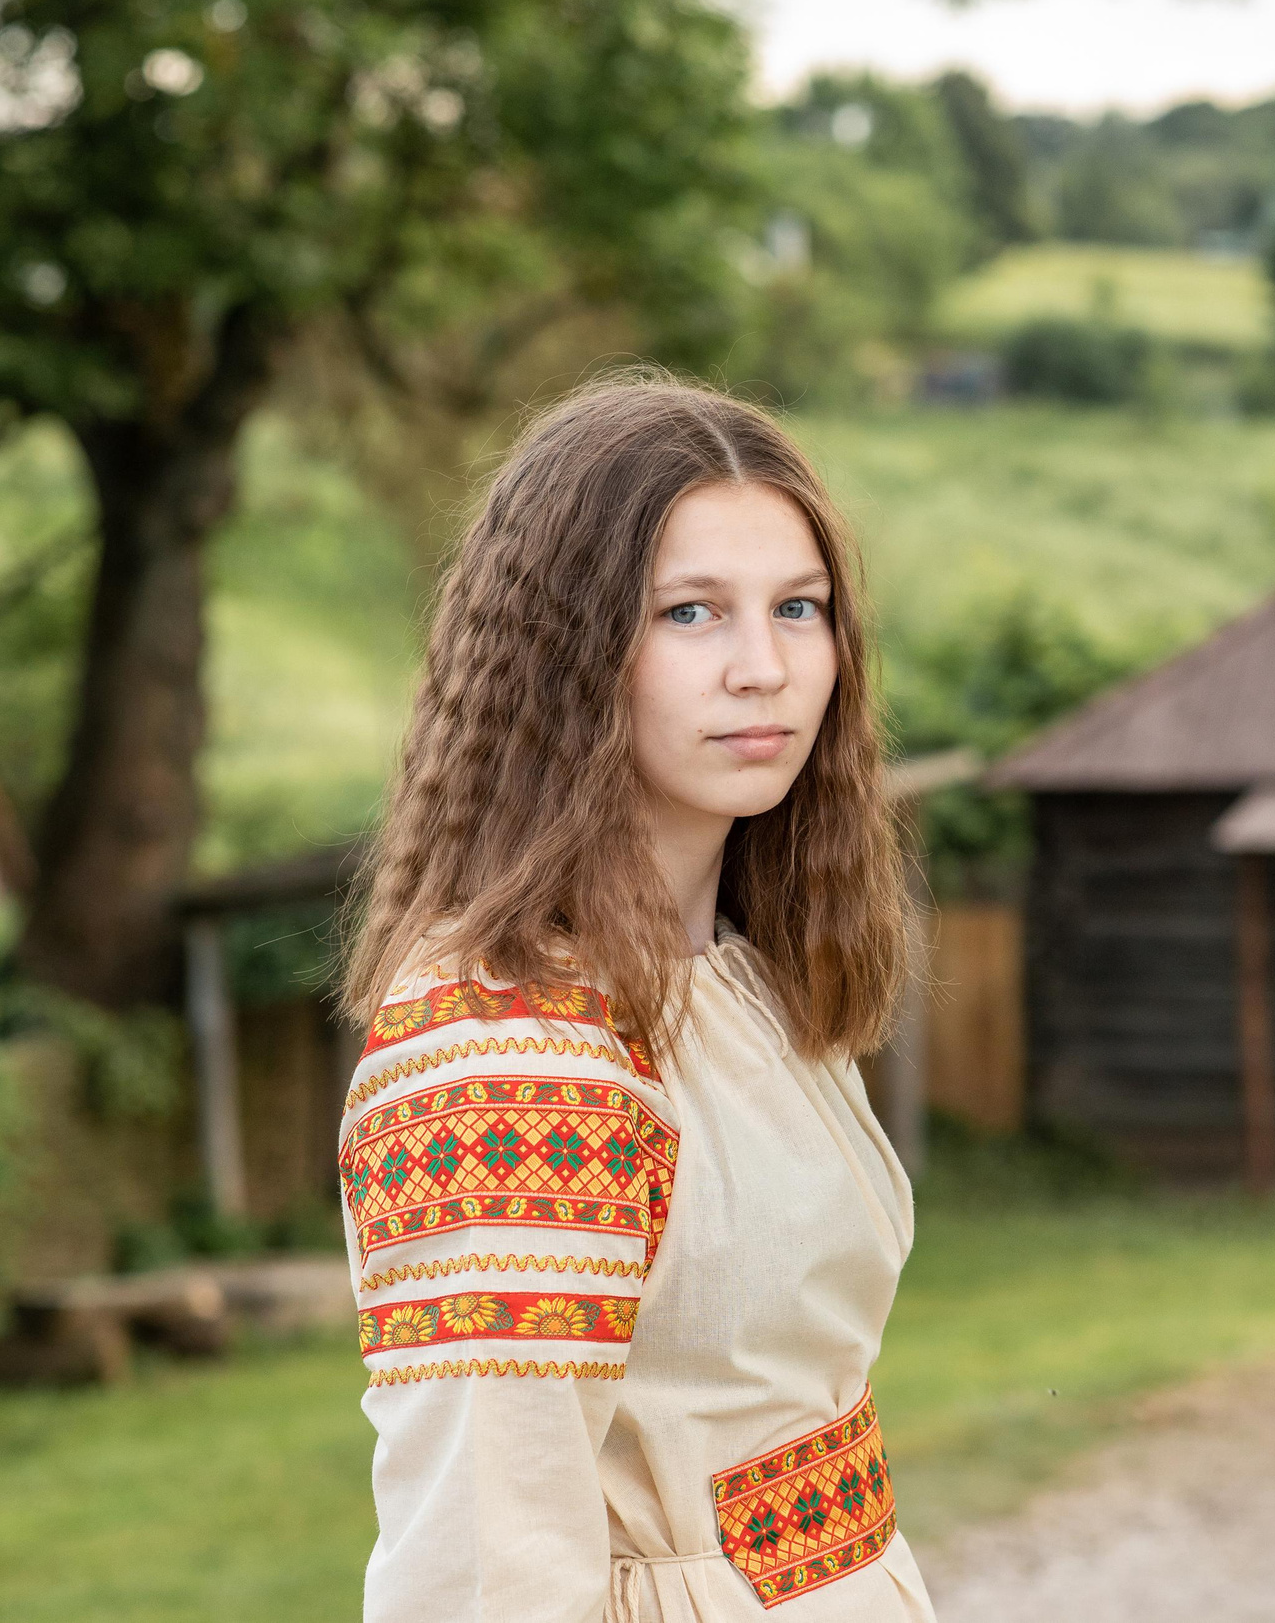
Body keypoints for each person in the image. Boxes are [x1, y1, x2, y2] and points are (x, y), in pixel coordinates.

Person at [334, 374, 934, 1623]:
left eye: (798, 608)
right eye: (691, 613)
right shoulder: (506, 1057)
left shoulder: (742, 978)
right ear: (561, 653)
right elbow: (481, 1565)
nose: (764, 668)